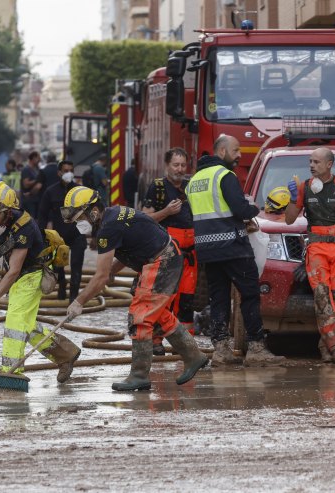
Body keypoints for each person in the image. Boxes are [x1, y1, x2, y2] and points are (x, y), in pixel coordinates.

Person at [62, 186, 208, 391]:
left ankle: (139, 375)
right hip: (163, 256)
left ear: (93, 212)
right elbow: (131, 243)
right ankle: (194, 356)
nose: (79, 224)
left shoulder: (107, 228)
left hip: (162, 261)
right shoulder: (112, 216)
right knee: (156, 314)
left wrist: (79, 302)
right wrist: (113, 270)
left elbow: (100, 277)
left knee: (140, 317)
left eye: (80, 218)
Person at [186, 134, 285, 367]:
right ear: (221, 152)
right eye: (236, 150)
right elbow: (240, 209)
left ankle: (221, 350)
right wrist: (253, 207)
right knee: (249, 295)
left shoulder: (194, 181)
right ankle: (256, 348)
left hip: (207, 250)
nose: (240, 155)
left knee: (218, 298)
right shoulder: (225, 175)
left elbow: (197, 215)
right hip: (233, 247)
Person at [0, 181, 81, 383]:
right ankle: (66, 354)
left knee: (15, 321)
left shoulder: (26, 228)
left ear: (9, 211)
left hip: (33, 274)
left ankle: (11, 372)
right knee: (26, 326)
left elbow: (13, 271)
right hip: (20, 275)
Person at [285, 148, 335, 362]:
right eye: (310, 161)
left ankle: (325, 345)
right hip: (317, 247)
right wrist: (293, 200)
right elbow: (289, 220)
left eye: (317, 162)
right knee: (322, 296)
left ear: (329, 164)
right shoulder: (304, 188)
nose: (311, 165)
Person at [141, 147, 196, 356]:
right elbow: (145, 219)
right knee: (164, 296)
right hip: (167, 251)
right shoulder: (157, 188)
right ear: (167, 165)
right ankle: (156, 340)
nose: (180, 169)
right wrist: (167, 212)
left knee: (187, 298)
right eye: (176, 165)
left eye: (183, 165)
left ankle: (184, 342)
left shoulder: (191, 187)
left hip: (190, 253)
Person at [38, 160, 87, 302]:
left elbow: (93, 212)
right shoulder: (50, 192)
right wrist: (42, 235)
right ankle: (61, 286)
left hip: (77, 235)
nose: (69, 173)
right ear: (59, 173)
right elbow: (42, 214)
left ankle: (73, 299)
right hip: (59, 238)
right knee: (58, 268)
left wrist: (95, 234)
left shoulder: (80, 191)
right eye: (65, 170)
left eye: (71, 170)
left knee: (76, 268)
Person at [20, 150, 43, 218]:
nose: (39, 160)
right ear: (33, 158)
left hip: (36, 200)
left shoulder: (36, 169)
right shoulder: (26, 170)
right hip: (28, 201)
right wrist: (37, 180)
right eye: (38, 158)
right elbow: (26, 184)